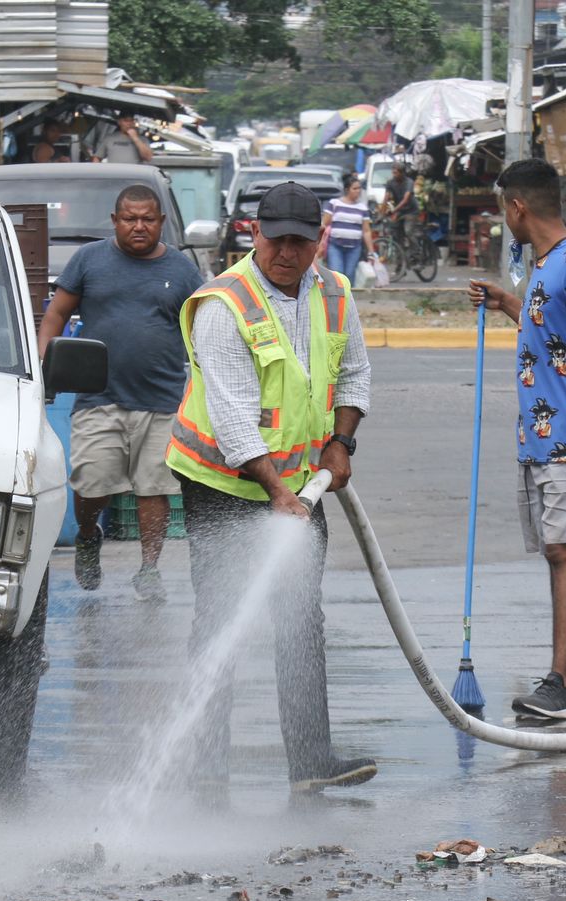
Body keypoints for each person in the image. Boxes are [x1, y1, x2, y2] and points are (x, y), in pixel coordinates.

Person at [167, 182, 377, 792]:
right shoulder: (224, 304)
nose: (287, 251)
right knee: (220, 618)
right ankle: (205, 770)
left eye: (300, 241)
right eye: (276, 238)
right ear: (254, 233)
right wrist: (278, 495)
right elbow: (232, 417)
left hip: (298, 484)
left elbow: (355, 374)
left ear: (318, 240)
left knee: (300, 619)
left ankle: (311, 764)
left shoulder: (335, 292)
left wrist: (342, 443)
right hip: (221, 480)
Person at [468, 158, 566, 722]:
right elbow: (552, 335)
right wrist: (506, 303)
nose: (502, 219)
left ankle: (559, 682)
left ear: (518, 207)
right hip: (537, 434)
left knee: (564, 552)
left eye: (501, 209)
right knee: (558, 554)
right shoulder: (545, 267)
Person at [37, 185, 202, 601]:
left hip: (163, 400)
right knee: (93, 484)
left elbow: (203, 326)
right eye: (130, 218)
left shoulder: (182, 270)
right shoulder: (89, 260)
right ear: (115, 221)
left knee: (154, 487)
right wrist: (44, 363)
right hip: (97, 397)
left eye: (148, 219)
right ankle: (90, 537)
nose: (139, 226)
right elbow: (57, 312)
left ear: (161, 223)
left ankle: (149, 569)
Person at [318, 172, 376, 282]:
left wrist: (371, 252)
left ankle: (348, 298)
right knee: (337, 274)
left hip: (354, 248)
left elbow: (366, 231)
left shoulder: (362, 208)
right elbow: (324, 225)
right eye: (355, 188)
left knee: (349, 275)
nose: (358, 191)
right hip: (335, 246)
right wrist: (320, 244)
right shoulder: (334, 204)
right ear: (347, 189)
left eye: (359, 188)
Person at [382, 162, 417, 249]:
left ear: (402, 173)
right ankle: (401, 254)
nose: (394, 175)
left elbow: (405, 200)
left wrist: (394, 211)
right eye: (393, 172)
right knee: (395, 231)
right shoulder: (390, 182)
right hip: (400, 211)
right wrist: (381, 214)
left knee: (408, 231)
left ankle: (416, 249)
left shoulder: (409, 182)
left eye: (396, 173)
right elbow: (385, 199)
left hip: (411, 211)